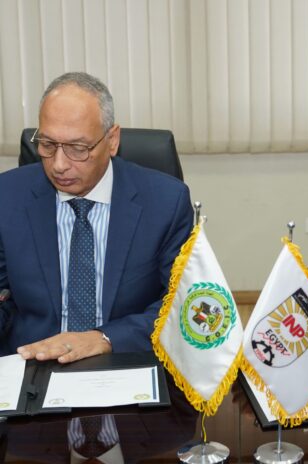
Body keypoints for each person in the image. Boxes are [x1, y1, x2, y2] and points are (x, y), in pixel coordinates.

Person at [0, 72, 193, 363]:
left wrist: (105, 338)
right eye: (48, 145)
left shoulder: (166, 202)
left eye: (78, 148)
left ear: (112, 140)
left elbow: (182, 305)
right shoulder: (7, 197)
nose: (59, 165)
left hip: (126, 359)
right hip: (33, 362)